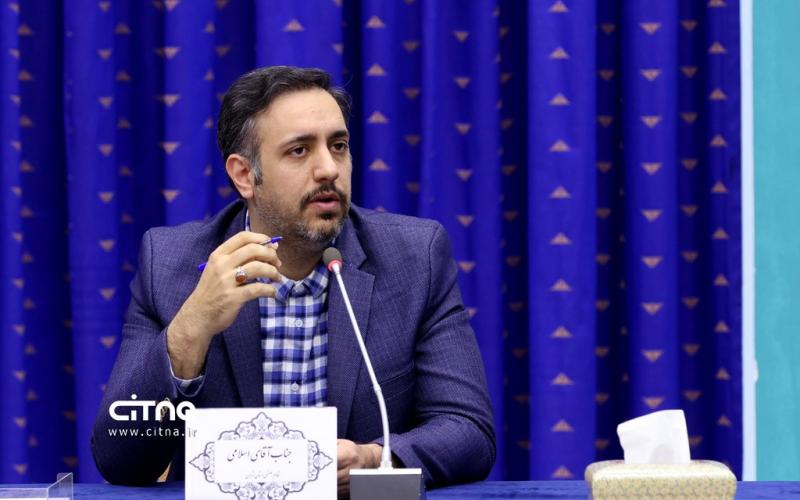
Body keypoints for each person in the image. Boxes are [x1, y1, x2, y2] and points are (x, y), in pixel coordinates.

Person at [91, 66, 495, 494]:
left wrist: (374, 459)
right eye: (299, 150)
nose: (328, 169)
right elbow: (120, 459)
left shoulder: (414, 259)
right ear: (244, 175)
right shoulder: (171, 264)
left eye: (338, 146)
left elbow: (468, 429)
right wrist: (191, 329)